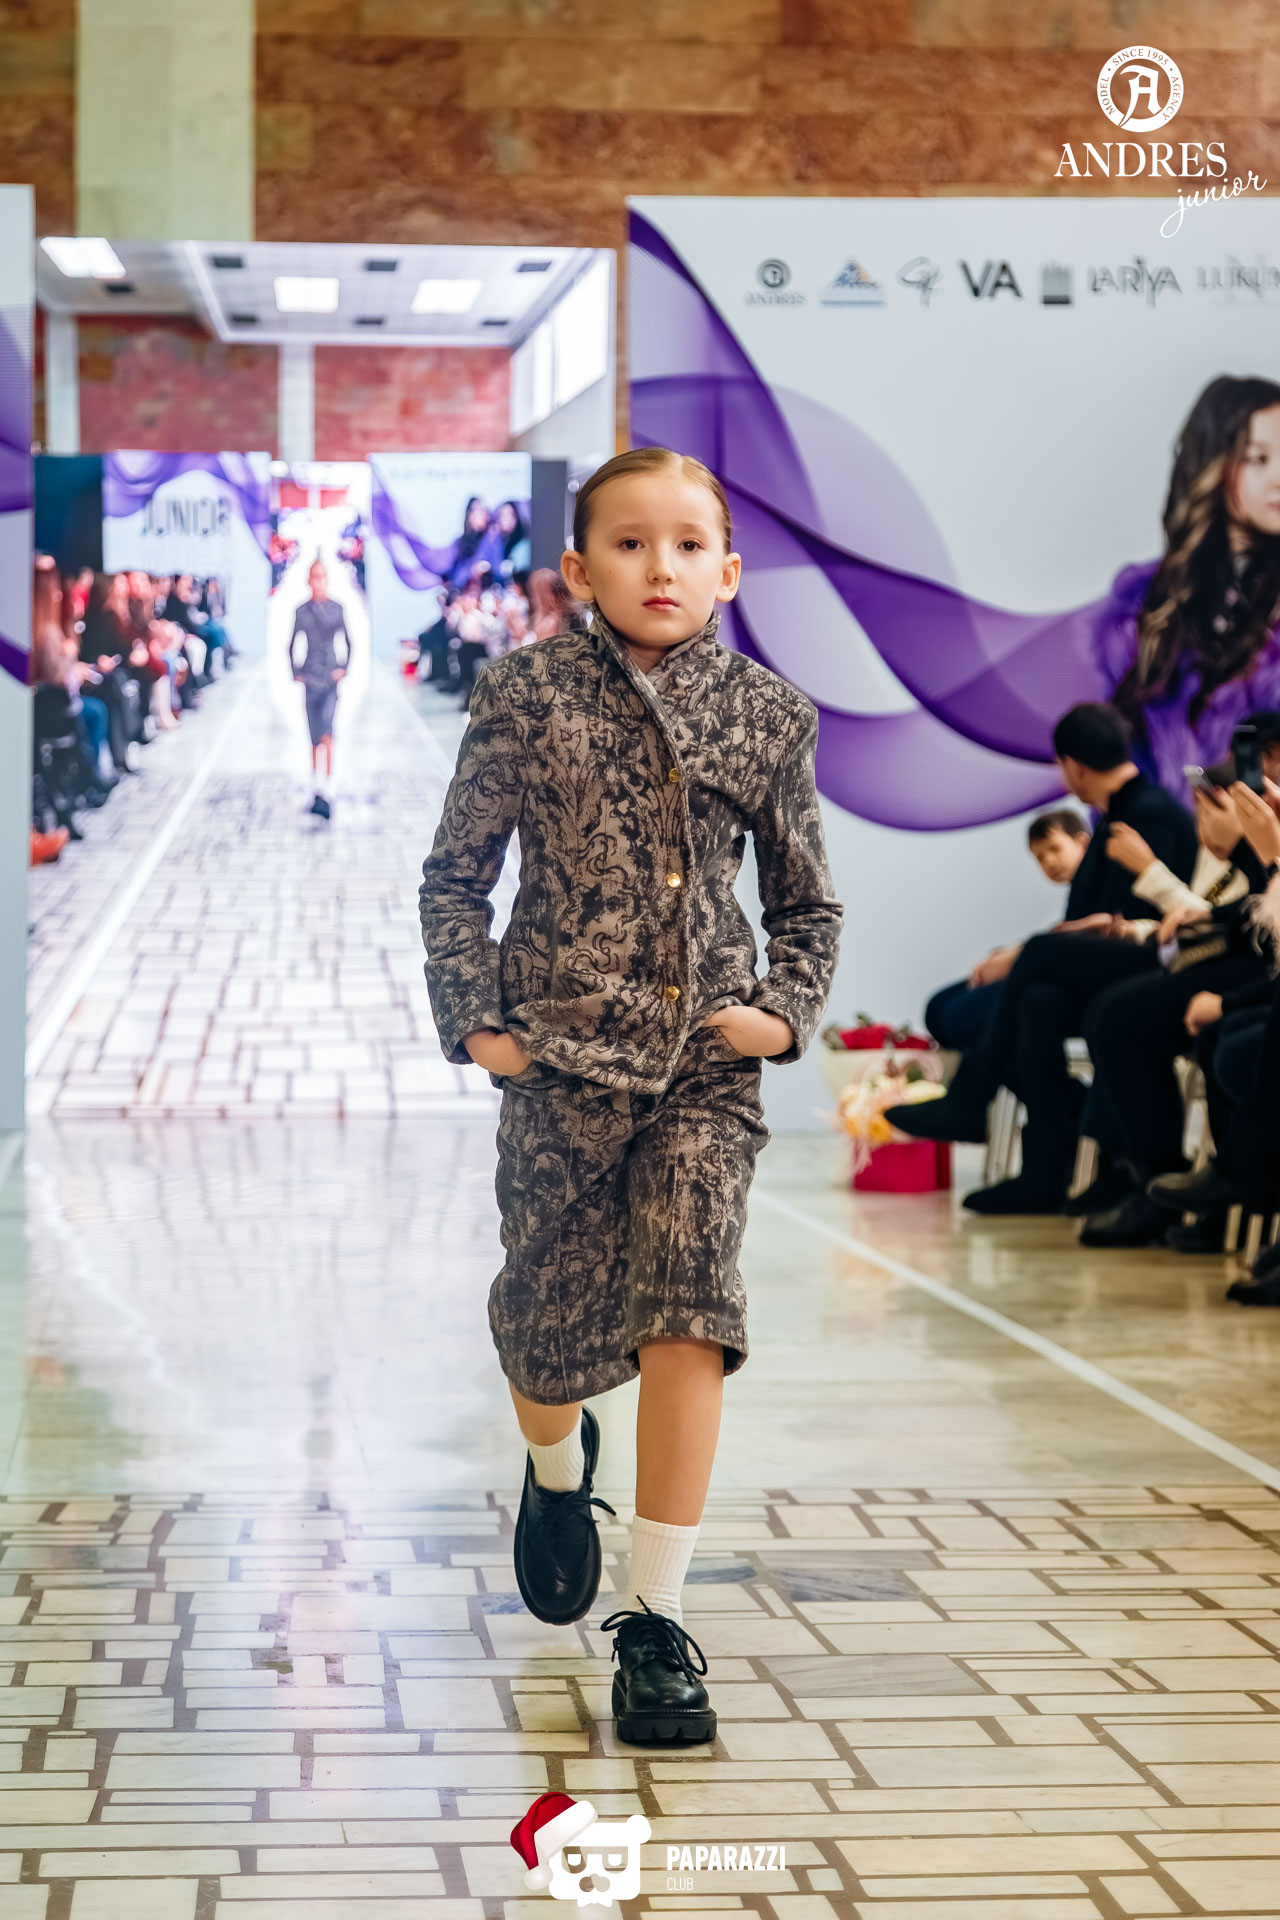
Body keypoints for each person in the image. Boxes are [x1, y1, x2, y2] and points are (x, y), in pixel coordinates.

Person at [419, 445, 842, 1746]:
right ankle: (557, 1472)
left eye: (687, 544)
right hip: (558, 1066)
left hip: (702, 1069)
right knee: (542, 1334)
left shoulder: (767, 715)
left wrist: (782, 1011)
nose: (661, 566)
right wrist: (479, 1026)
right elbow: (455, 876)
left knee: (688, 1313)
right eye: (629, 542)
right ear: (577, 568)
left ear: (728, 570)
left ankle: (654, 1621)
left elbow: (805, 902)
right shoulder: (525, 692)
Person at [889, 703, 1198, 1212]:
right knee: (1038, 1002)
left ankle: (971, 1100)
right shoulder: (1129, 812)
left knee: (1035, 959)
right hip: (1123, 964)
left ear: (1072, 765)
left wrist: (1032, 950)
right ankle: (1043, 1174)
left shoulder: (1146, 814)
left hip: (1154, 965)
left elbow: (1134, 922)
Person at [1079, 773, 1280, 1247]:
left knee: (1135, 1020)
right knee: (1097, 1008)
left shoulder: (1243, 837)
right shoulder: (1225, 846)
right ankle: (1151, 1177)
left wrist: (1251, 849)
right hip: (1236, 957)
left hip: (1250, 967)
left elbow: (1261, 927)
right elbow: (1234, 911)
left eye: (1209, 809)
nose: (1201, 823)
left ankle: (1215, 1186)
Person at [1097, 375, 1280, 805]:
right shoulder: (1142, 607)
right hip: (1176, 836)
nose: (1279, 477)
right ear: (1212, 461)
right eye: (1258, 459)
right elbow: (1124, 763)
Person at [925, 809, 1091, 1054]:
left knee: (959, 1016)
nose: (1049, 862)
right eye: (1040, 857)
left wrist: (1012, 960)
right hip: (1043, 964)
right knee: (936, 1008)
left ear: (1082, 842)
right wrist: (1002, 955)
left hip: (1066, 983)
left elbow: (1074, 942)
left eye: (1055, 849)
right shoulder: (1078, 892)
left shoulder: (1097, 885)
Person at [290, 558, 350, 821]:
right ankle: (317, 788)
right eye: (314, 577)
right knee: (314, 734)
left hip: (330, 677)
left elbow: (350, 641)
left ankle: (329, 788)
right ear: (308, 580)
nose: (318, 582)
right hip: (310, 676)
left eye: (321, 576)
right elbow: (290, 643)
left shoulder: (337, 608)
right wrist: (295, 672)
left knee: (327, 730)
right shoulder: (301, 611)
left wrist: (343, 667)